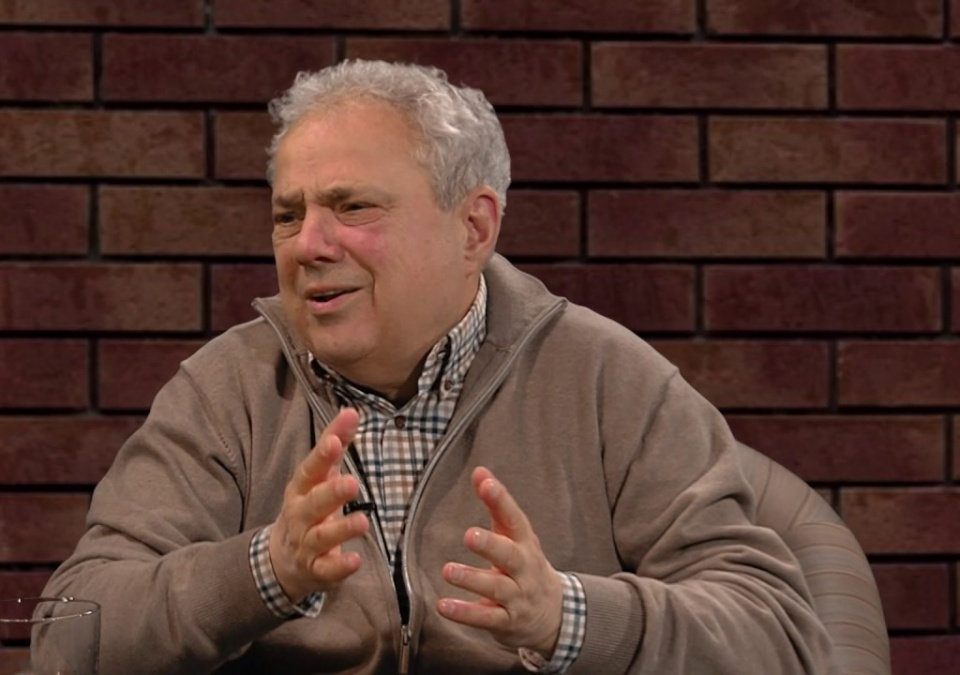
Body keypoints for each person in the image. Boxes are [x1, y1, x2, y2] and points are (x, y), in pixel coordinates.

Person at [43, 60, 831, 674]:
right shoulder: (227, 391)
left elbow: (783, 639)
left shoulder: (611, 381)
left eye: (353, 207)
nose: (308, 244)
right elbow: (70, 633)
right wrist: (265, 572)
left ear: (473, 228)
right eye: (289, 214)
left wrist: (568, 617)